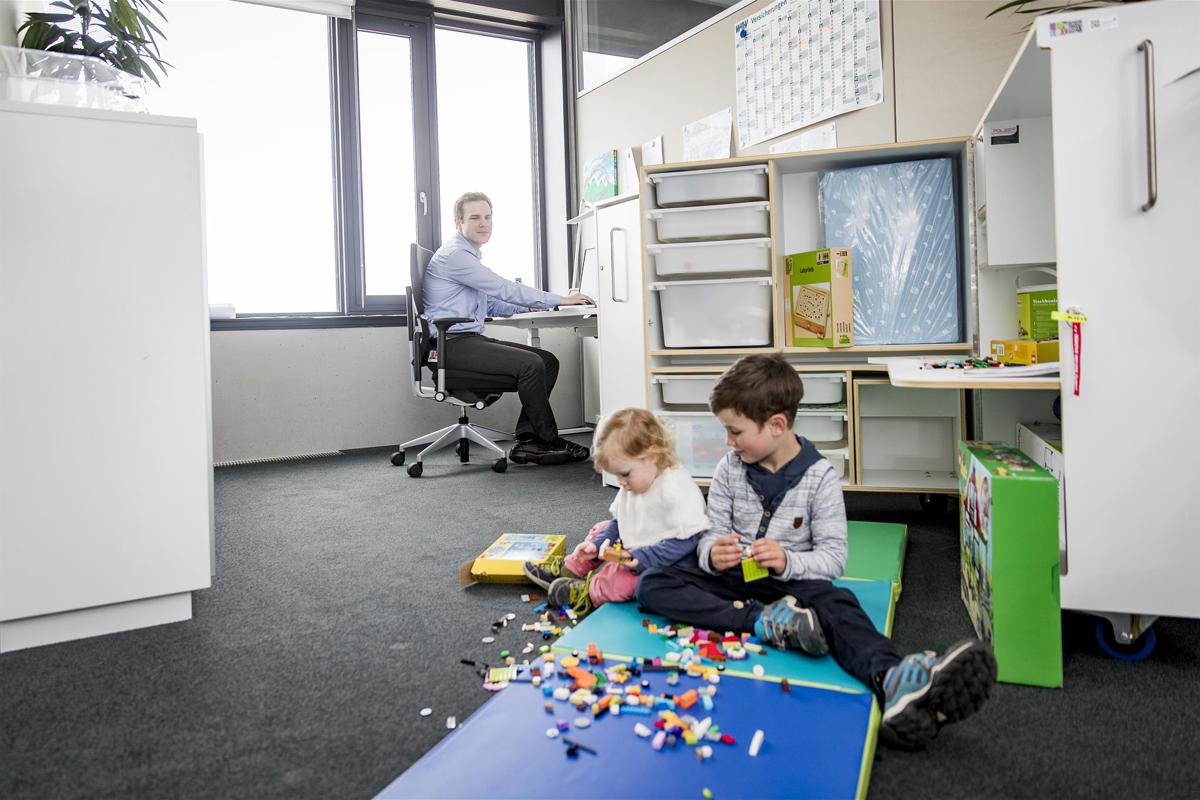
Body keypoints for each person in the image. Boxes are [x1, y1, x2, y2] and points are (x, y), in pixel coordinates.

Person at [636, 354, 996, 748]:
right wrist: (710, 552)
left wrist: (788, 560)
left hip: (796, 588)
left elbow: (833, 558)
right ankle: (763, 622)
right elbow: (712, 531)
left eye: (735, 431)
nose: (728, 441)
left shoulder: (820, 478)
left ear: (776, 424)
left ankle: (893, 682)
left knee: (841, 606)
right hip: (735, 581)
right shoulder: (728, 468)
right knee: (654, 582)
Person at [423, 192, 595, 466]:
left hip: (465, 340)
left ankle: (529, 441)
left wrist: (528, 308)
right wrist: (560, 299)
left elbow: (491, 302)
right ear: (458, 223)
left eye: (488, 217)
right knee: (530, 365)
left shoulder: (469, 256)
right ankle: (547, 440)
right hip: (451, 346)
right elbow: (504, 288)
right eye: (475, 217)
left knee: (546, 361)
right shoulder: (456, 256)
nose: (484, 223)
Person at [522, 408, 708, 616]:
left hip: (670, 565)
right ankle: (570, 569)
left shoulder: (675, 490)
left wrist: (640, 557)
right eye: (616, 475)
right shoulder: (635, 480)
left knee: (618, 577)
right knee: (600, 530)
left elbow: (688, 542)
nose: (621, 482)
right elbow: (620, 523)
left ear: (653, 455)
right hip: (637, 549)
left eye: (625, 474)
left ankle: (590, 592)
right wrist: (596, 545)